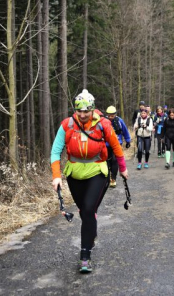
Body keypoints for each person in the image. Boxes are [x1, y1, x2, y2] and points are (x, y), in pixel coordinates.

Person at [50, 89, 129, 273]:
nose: (83, 114)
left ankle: (85, 255)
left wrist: (123, 169)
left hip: (97, 170)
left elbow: (116, 147)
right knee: (85, 212)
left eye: (87, 111)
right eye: (80, 111)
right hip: (74, 173)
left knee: (87, 209)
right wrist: (56, 175)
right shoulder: (67, 125)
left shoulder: (103, 125)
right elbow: (55, 151)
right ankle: (90, 228)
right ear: (75, 110)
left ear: (92, 109)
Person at [105, 105, 131, 188]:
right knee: (107, 162)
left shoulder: (119, 121)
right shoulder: (104, 121)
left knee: (115, 160)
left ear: (115, 114)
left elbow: (125, 131)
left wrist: (128, 141)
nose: (110, 117)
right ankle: (107, 178)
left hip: (117, 144)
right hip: (106, 144)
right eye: (109, 115)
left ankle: (113, 179)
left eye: (112, 115)